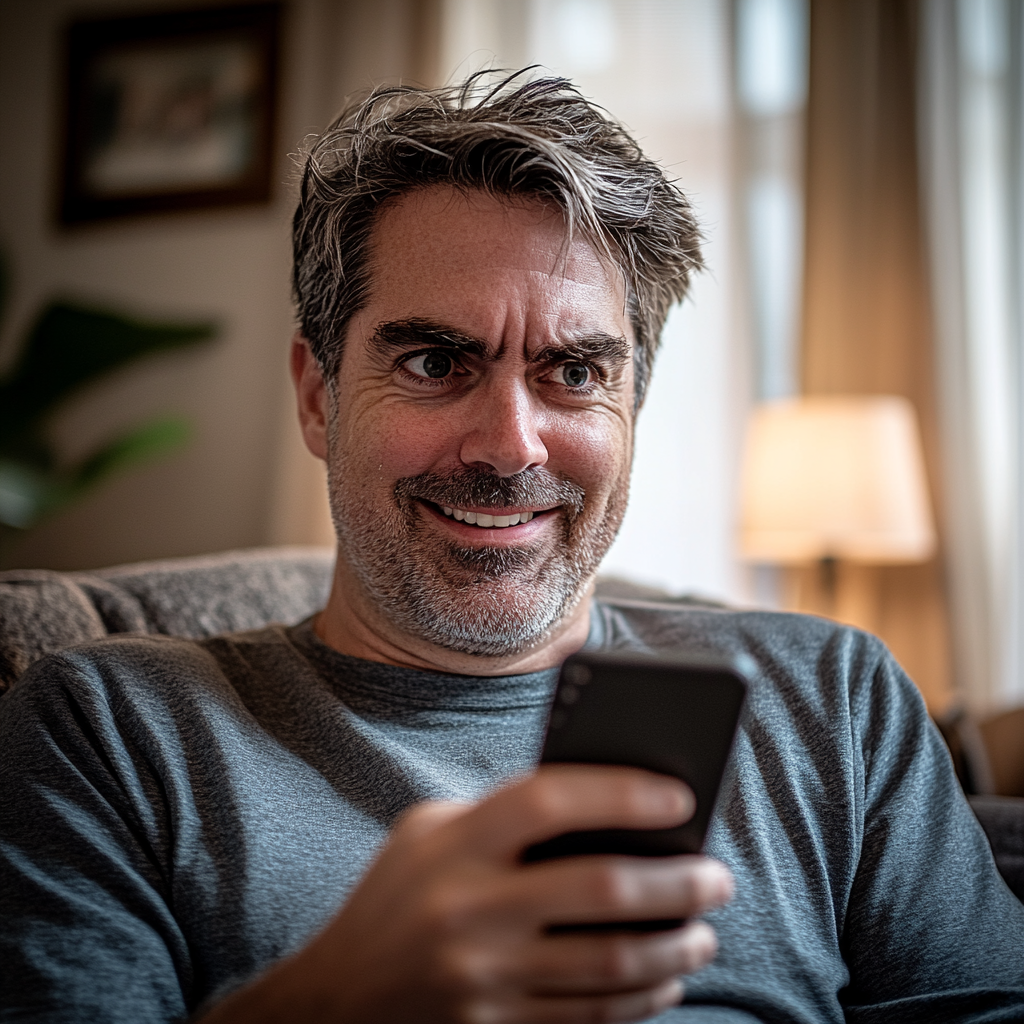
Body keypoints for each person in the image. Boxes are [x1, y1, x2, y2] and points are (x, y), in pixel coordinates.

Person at [1, 71, 1022, 1024]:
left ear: (634, 406)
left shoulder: (832, 699)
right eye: (436, 360)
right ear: (319, 396)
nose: (509, 444)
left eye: (575, 371)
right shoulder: (108, 729)